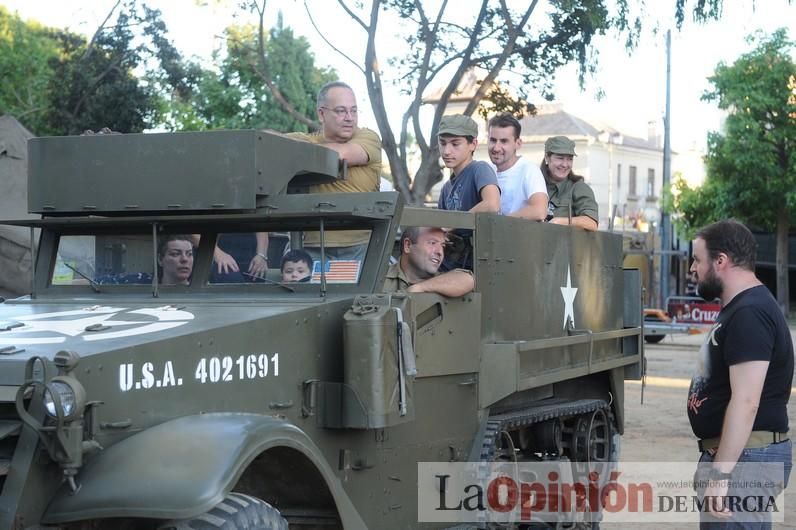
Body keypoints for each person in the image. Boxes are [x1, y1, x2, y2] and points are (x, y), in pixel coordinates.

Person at [687, 219, 792, 527]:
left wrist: (721, 474)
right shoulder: (742, 308)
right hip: (743, 459)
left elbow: (747, 401)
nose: (692, 268)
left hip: (746, 460)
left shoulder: (750, 313)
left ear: (721, 261)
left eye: (697, 259)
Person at [288, 81, 382, 262]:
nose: (350, 118)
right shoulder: (307, 139)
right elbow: (265, 142)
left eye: (353, 110)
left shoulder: (368, 137)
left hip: (360, 246)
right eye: (341, 111)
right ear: (321, 114)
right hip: (310, 248)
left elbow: (340, 154)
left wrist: (299, 152)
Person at [436, 114, 500, 270]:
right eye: (442, 143)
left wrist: (454, 224)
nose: (446, 151)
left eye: (455, 144)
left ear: (473, 144)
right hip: (452, 259)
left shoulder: (480, 169)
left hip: (479, 263)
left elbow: (492, 204)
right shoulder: (446, 188)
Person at [487, 114, 547, 220]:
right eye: (493, 140)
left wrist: (499, 224)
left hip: (518, 235)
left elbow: (539, 210)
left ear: (518, 143)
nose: (496, 148)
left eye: (504, 141)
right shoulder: (487, 170)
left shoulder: (529, 170)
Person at [383, 227, 474, 297]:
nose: (440, 252)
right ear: (408, 245)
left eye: (443, 246)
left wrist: (419, 288)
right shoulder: (379, 278)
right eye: (432, 243)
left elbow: (468, 279)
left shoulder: (442, 281)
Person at [541, 136, 598, 231]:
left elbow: (591, 223)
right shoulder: (535, 183)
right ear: (547, 157)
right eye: (560, 158)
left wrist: (560, 221)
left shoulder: (578, 188)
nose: (565, 164)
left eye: (570, 159)